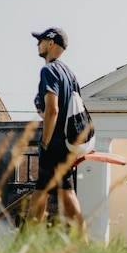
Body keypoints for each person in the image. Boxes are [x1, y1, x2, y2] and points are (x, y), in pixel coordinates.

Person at [28, 27, 86, 239]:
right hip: (68, 144)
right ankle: (85, 244)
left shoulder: (48, 71)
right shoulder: (69, 74)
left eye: (40, 40)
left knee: (40, 196)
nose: (37, 44)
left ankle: (28, 245)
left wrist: (44, 142)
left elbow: (53, 110)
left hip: (54, 143)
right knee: (66, 195)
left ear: (51, 43)